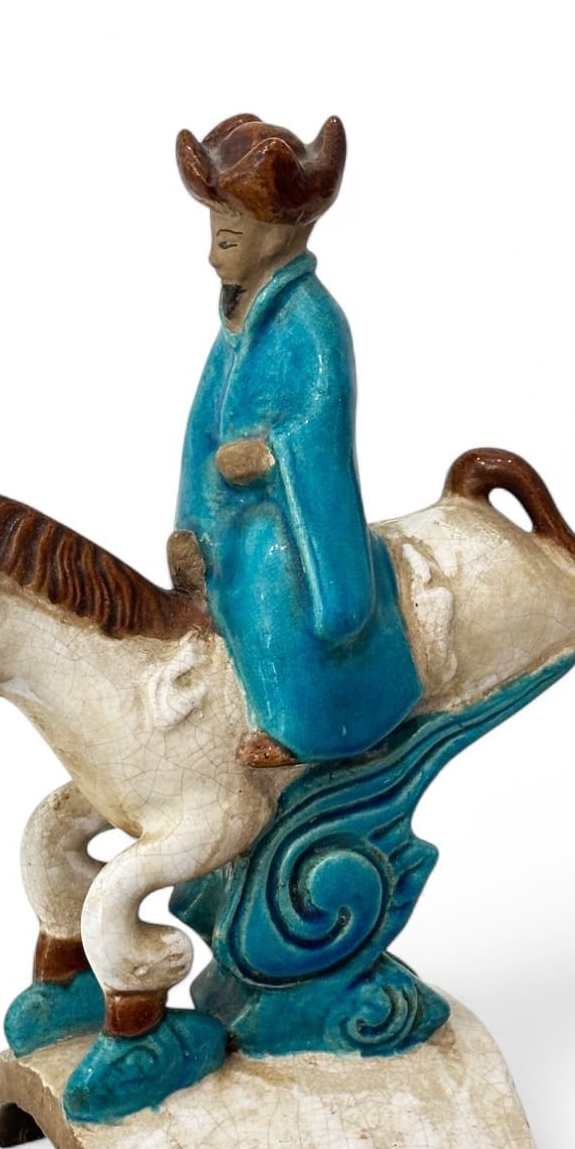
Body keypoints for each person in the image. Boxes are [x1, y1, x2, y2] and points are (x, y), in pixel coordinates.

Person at [173, 114, 422, 767]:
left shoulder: (313, 322)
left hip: (288, 514)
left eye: (230, 235)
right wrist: (191, 523)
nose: (213, 252)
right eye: (214, 231)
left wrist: (272, 456)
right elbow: (202, 427)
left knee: (269, 560)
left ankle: (312, 721)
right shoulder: (237, 323)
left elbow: (323, 419)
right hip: (229, 510)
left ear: (283, 232)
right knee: (225, 563)